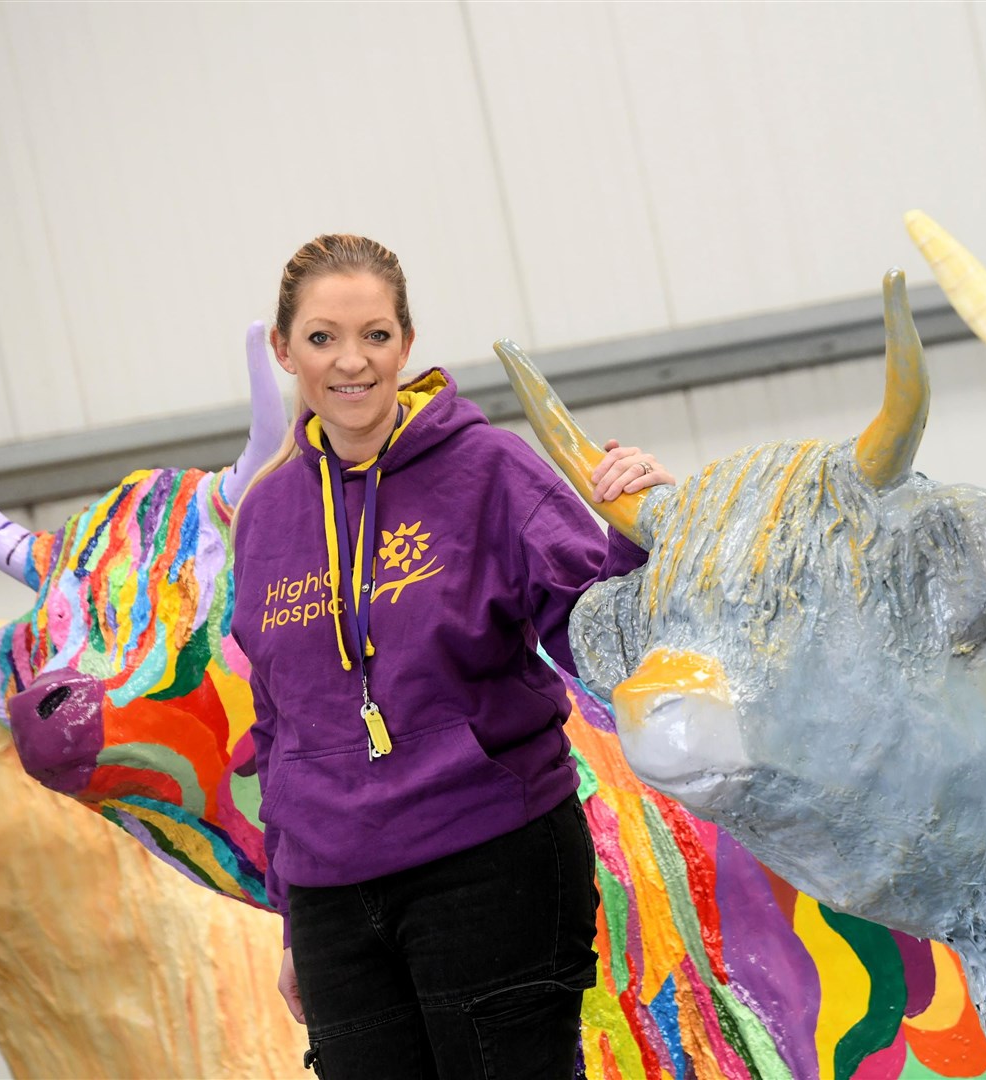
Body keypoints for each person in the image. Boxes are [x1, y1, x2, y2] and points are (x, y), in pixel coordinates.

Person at [230, 233, 673, 1079]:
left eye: (376, 335)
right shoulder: (266, 515)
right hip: (333, 901)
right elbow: (277, 727)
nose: (351, 362)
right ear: (285, 350)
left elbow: (597, 640)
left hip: (488, 861)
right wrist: (293, 917)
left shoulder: (489, 470)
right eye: (322, 338)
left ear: (406, 343)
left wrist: (634, 538)